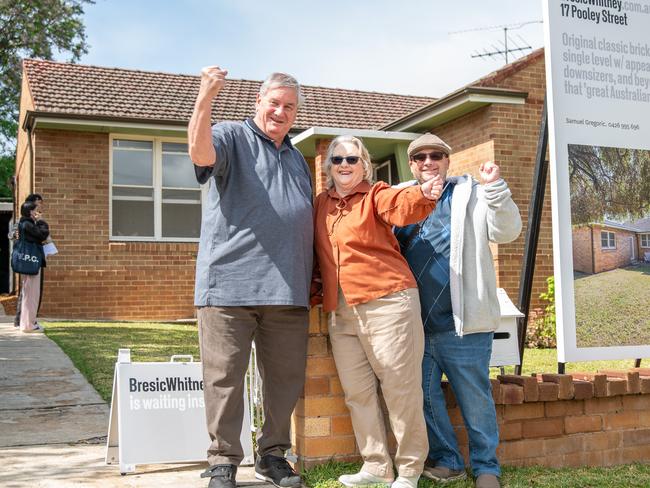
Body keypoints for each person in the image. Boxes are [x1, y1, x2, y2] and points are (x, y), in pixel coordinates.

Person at [188, 67, 313, 488]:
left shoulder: (296, 158)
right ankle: (223, 459)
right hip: (228, 286)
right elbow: (201, 154)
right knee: (224, 378)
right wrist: (205, 97)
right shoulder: (231, 136)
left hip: (287, 290)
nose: (280, 111)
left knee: (285, 380)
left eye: (289, 106)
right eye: (273, 103)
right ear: (257, 103)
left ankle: (272, 455)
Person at [311, 135, 442, 488]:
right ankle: (376, 466)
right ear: (328, 166)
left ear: (364, 164)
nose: (344, 165)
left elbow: (401, 204)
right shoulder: (321, 204)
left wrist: (424, 194)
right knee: (358, 393)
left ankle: (410, 469)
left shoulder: (376, 195)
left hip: (388, 303)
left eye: (352, 159)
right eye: (337, 159)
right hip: (342, 310)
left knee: (400, 390)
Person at [394, 134, 522, 488]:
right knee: (424, 397)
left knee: (475, 400)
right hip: (417, 326)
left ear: (448, 161)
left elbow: (507, 231)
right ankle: (448, 461)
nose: (428, 161)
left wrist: (495, 187)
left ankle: (486, 468)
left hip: (463, 324)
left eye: (436, 155)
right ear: (412, 164)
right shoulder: (402, 203)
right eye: (420, 157)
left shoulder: (473, 195)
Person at [11, 194, 45, 329]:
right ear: (31, 207)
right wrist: (41, 223)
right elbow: (41, 235)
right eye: (38, 204)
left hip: (32, 258)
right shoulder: (26, 222)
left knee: (30, 291)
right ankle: (23, 322)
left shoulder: (29, 222)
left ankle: (29, 321)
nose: (40, 207)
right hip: (29, 258)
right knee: (28, 292)